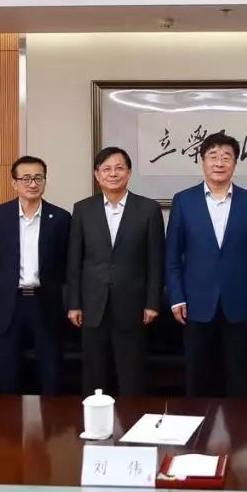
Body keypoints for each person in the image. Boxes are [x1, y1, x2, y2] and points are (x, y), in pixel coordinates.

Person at [165, 132, 247, 398]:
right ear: (202, 161)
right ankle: (197, 425)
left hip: (240, 304)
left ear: (235, 163)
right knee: (197, 378)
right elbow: (172, 256)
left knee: (238, 378)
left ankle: (239, 425)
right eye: (213, 156)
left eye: (226, 157)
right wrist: (176, 297)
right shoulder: (183, 201)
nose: (219, 163)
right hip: (195, 304)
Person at [67, 147, 164, 396]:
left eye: (119, 168)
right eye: (106, 169)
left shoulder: (148, 209)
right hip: (92, 305)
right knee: (94, 374)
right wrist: (74, 304)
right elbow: (74, 260)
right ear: (97, 175)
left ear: (129, 173)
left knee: (132, 375)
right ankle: (96, 420)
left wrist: (152, 302)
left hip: (133, 304)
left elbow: (156, 260)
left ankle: (132, 417)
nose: (113, 174)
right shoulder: (83, 209)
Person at [0, 155, 70, 395]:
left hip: (46, 303)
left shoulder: (61, 218)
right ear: (14, 183)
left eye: (38, 178)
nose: (33, 184)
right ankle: (10, 419)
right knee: (8, 374)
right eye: (26, 178)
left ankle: (50, 418)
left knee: (50, 374)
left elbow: (67, 264)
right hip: (9, 304)